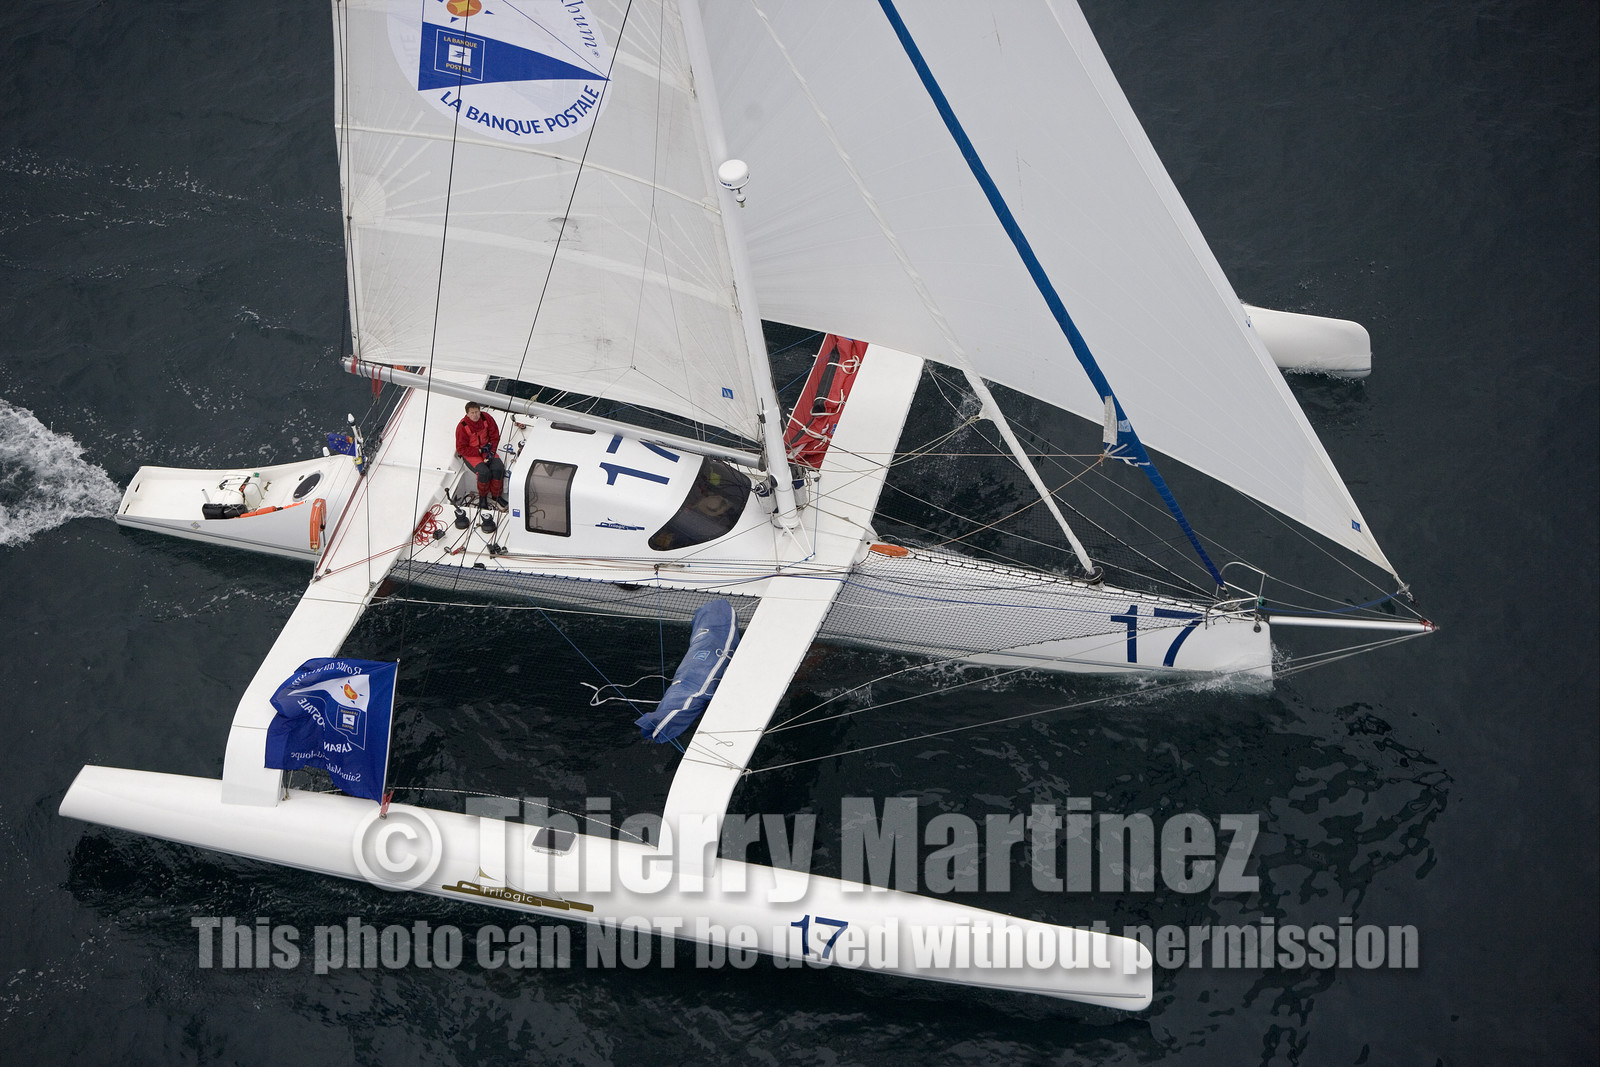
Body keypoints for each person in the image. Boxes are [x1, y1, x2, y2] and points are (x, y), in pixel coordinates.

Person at [455, 401, 507, 507]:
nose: (475, 415)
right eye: (472, 413)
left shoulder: (486, 418)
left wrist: (491, 451)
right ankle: (483, 498)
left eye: (477, 412)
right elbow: (461, 448)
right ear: (467, 414)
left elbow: (495, 436)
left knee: (499, 468)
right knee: (484, 472)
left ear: (480, 411)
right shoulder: (462, 427)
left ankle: (496, 496)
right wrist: (478, 451)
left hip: (487, 449)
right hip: (471, 454)